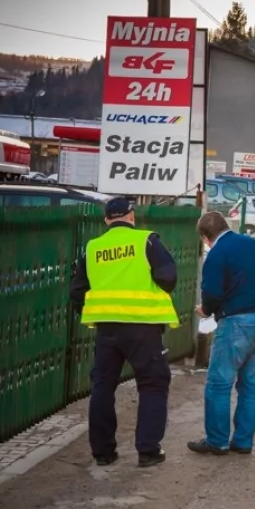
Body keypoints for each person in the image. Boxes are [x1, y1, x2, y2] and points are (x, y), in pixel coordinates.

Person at [70, 197, 179, 468]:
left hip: (107, 329)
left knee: (103, 386)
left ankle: (103, 453)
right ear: (132, 217)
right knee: (152, 384)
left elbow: (77, 292)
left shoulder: (92, 248)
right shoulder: (147, 241)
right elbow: (168, 277)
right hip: (143, 327)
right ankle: (148, 451)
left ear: (107, 220)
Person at [187, 211, 255, 456]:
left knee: (219, 383)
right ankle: (243, 441)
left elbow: (213, 293)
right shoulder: (251, 244)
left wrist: (204, 310)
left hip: (239, 323)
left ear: (206, 237)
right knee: (251, 384)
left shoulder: (216, 254)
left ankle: (217, 441)